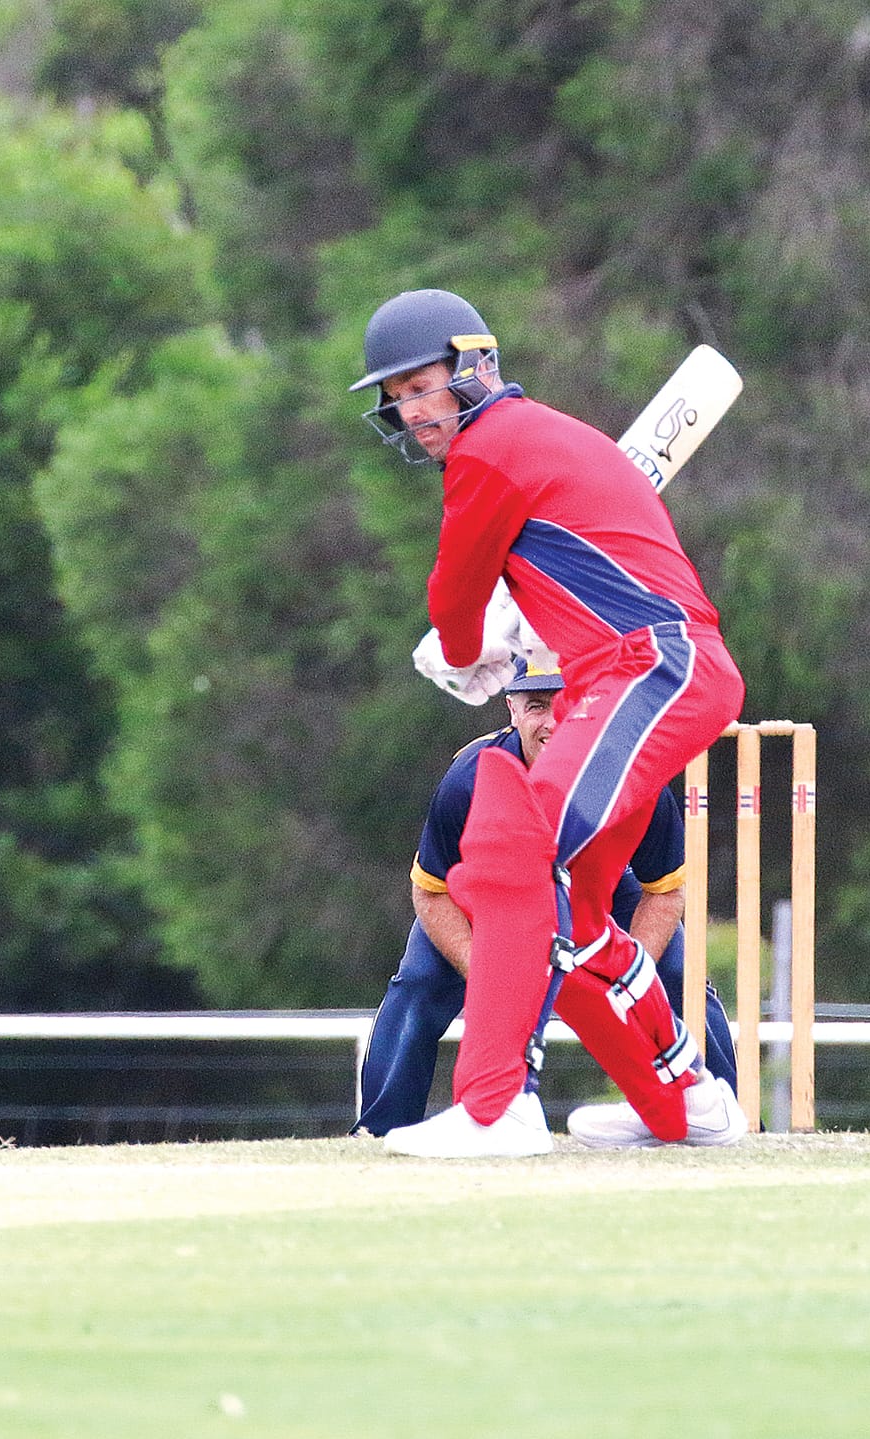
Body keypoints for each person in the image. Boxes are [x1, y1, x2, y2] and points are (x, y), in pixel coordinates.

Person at [350, 287, 747, 1157]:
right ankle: (685, 1094)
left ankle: (498, 1107)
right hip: (630, 672)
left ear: (473, 365)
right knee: (579, 913)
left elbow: (456, 593)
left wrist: (464, 653)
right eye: (398, 395)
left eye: (423, 385)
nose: (412, 410)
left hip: (654, 665)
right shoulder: (534, 439)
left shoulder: (490, 449)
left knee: (513, 855)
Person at [353, 656, 737, 1135]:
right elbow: (430, 894)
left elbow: (664, 893)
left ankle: (720, 1117)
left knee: (680, 974)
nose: (553, 722)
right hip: (491, 896)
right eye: (537, 705)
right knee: (417, 986)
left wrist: (628, 981)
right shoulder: (470, 778)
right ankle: (379, 1130)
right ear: (511, 709)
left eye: (568, 702)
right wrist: (498, 979)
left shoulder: (633, 774)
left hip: (596, 889)